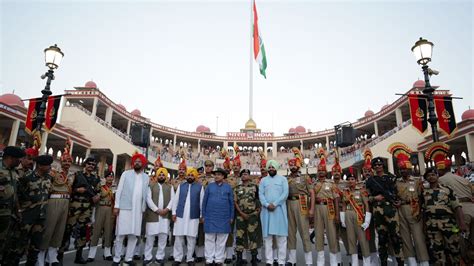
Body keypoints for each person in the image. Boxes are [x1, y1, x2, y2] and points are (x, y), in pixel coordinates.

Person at [426, 141, 474, 261]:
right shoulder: (462, 178)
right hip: (471, 206)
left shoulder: (441, 180)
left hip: (461, 211)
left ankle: (463, 260)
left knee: (460, 238)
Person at [3, 154, 53, 266]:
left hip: (40, 219)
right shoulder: (27, 178)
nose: (50, 167)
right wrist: (19, 211)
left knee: (35, 248)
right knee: (18, 248)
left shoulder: (49, 178)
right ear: (40, 165)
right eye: (47, 165)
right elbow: (16, 196)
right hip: (26, 218)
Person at [389, 142, 429, 266]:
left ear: (409, 168)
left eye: (405, 169)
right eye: (401, 169)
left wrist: (421, 211)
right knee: (405, 238)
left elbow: (422, 197)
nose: (403, 171)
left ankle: (424, 262)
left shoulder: (417, 181)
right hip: (401, 210)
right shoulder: (396, 182)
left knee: (418, 238)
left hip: (414, 210)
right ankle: (412, 263)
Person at [59, 156, 100, 264]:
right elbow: (68, 188)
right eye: (89, 163)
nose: (91, 166)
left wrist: (97, 196)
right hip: (75, 206)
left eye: (93, 164)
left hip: (87, 208)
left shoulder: (96, 178)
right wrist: (78, 189)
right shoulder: (77, 175)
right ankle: (60, 256)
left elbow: (98, 191)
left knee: (83, 232)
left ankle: (79, 256)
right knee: (67, 230)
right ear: (85, 164)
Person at [422, 167, 467, 265]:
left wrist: (462, 223)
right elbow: (423, 210)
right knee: (437, 252)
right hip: (432, 225)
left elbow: (457, 207)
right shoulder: (423, 192)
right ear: (426, 178)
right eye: (428, 175)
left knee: (454, 249)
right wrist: (424, 227)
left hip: (448, 224)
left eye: (433, 174)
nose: (431, 177)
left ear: (437, 176)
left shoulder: (447, 190)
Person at [38, 139, 72, 266]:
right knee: (49, 229)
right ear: (60, 161)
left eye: (69, 161)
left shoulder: (72, 175)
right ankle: (40, 256)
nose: (67, 163)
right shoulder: (54, 173)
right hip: (54, 200)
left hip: (66, 202)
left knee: (59, 230)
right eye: (65, 161)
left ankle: (52, 257)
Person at [112, 152, 150, 266]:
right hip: (125, 208)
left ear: (143, 164)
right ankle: (117, 259)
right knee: (120, 234)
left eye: (139, 162)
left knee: (134, 235)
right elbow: (119, 190)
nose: (137, 163)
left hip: (138, 211)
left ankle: (128, 258)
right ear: (133, 163)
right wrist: (116, 206)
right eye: (136, 161)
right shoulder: (126, 174)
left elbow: (146, 194)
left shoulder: (146, 177)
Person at [365, 157, 404, 266]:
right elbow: (367, 197)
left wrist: (398, 201)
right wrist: (374, 198)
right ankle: (383, 262)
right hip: (378, 210)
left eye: (380, 164)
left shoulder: (391, 178)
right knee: (382, 239)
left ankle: (400, 262)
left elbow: (398, 193)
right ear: (373, 167)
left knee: (396, 237)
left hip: (391, 210)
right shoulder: (370, 181)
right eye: (376, 165)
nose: (378, 166)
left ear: (383, 165)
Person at [285, 148, 314, 266]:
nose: (292, 167)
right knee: (290, 233)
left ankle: (309, 261)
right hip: (289, 204)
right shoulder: (286, 179)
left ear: (298, 165)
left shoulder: (305, 177)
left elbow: (311, 192)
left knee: (304, 232)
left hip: (302, 203)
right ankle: (292, 260)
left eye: (294, 165)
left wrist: (311, 209)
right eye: (290, 166)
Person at [171, 168, 204, 266]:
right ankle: (178, 258)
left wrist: (202, 215)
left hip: (193, 216)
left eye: (192, 175)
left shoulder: (200, 187)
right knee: (178, 237)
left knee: (191, 238)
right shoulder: (181, 186)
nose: (190, 177)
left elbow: (202, 202)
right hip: (180, 215)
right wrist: (173, 213)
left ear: (195, 176)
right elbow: (175, 201)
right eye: (189, 175)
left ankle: (190, 258)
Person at [312, 148, 339, 266]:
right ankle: (320, 261)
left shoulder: (331, 183)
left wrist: (337, 214)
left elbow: (336, 199)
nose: (321, 172)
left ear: (326, 172)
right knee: (318, 234)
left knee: (331, 234)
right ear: (317, 172)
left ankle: (333, 261)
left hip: (329, 209)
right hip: (318, 208)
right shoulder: (314, 184)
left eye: (323, 170)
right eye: (319, 171)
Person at [259, 160, 288, 266]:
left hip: (279, 211)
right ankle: (269, 261)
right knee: (267, 239)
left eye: (273, 167)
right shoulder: (263, 180)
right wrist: (267, 205)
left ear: (276, 168)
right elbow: (260, 194)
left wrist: (275, 204)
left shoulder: (283, 179)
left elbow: (285, 194)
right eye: (269, 167)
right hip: (266, 212)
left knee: (281, 238)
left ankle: (281, 261)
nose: (271, 169)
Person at [202, 168, 234, 266]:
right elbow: (204, 202)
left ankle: (219, 259)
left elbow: (231, 203)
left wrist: (231, 216)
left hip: (224, 217)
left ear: (223, 176)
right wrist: (203, 215)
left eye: (219, 174)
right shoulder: (209, 187)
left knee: (221, 239)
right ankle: (209, 259)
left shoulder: (228, 187)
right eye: (215, 174)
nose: (217, 176)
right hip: (210, 216)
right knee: (209, 238)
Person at [340, 167, 371, 266]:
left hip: (359, 216)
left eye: (352, 179)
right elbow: (344, 205)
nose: (350, 181)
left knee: (363, 240)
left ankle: (367, 263)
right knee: (351, 240)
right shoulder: (346, 191)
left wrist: (367, 220)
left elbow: (366, 205)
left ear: (356, 181)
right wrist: (343, 219)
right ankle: (354, 263)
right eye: (348, 180)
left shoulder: (361, 190)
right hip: (348, 214)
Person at [144, 167, 174, 265]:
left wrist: (166, 210)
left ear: (165, 176)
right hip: (153, 215)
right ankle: (147, 257)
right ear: (157, 176)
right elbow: (148, 199)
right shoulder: (151, 185)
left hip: (165, 216)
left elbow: (173, 200)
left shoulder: (170, 187)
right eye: (159, 175)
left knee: (163, 237)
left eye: (163, 175)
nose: (161, 176)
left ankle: (159, 257)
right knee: (150, 237)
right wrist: (157, 210)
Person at [0, 146, 24, 259]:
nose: (20, 161)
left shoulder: (14, 172)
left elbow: (14, 193)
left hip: (8, 214)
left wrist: (18, 210)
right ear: (10, 157)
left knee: (4, 244)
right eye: (18, 158)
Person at [87, 168, 115, 262]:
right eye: (108, 176)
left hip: (110, 210)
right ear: (105, 178)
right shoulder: (100, 187)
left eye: (111, 176)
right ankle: (91, 254)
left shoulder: (115, 188)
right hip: (101, 208)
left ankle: (107, 253)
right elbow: (94, 198)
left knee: (108, 232)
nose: (110, 178)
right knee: (97, 230)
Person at [234, 168, 260, 266]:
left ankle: (254, 258)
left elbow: (258, 199)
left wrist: (257, 211)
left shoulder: (255, 187)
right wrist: (241, 213)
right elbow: (235, 202)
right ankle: (239, 258)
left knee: (253, 237)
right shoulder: (237, 188)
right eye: (243, 174)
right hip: (241, 215)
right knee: (239, 236)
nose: (244, 175)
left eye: (246, 174)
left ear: (249, 176)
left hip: (252, 215)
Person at [195, 159, 215, 263]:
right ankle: (199, 253)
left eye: (210, 166)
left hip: (212, 207)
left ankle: (211, 254)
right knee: (200, 231)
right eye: (206, 166)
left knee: (211, 231)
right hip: (200, 206)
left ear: (213, 167)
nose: (208, 167)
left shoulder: (215, 178)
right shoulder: (198, 178)